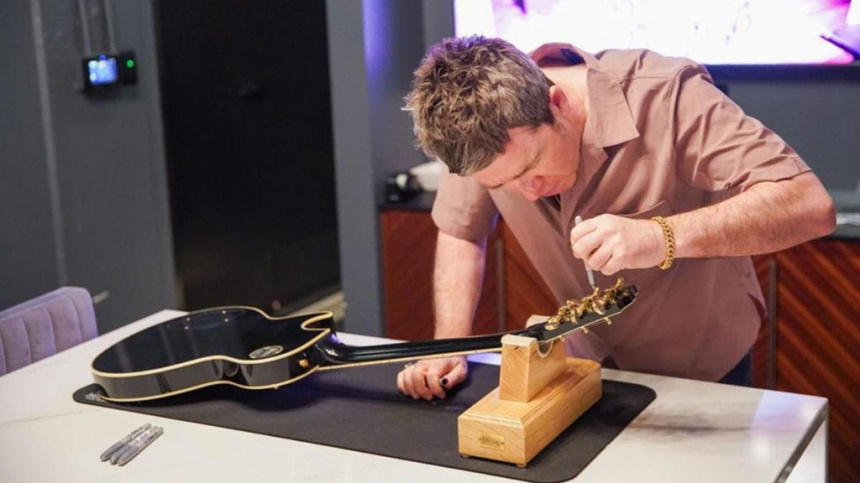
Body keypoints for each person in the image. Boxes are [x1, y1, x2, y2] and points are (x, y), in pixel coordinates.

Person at [396, 36, 835, 400]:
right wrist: (448, 346)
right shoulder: (475, 133)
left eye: (531, 169)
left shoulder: (666, 94)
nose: (525, 192)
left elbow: (807, 204)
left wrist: (661, 236)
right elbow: (460, 231)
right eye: (501, 184)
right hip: (585, 363)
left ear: (558, 103)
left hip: (704, 363)